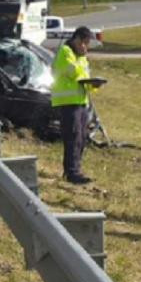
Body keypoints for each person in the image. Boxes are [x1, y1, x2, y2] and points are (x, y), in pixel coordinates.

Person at [51, 26, 100, 184]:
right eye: (84, 43)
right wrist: (81, 59)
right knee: (72, 136)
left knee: (82, 137)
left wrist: (94, 84)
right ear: (77, 39)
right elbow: (73, 72)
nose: (86, 47)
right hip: (68, 102)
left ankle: (76, 169)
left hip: (81, 101)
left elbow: (85, 78)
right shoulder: (66, 52)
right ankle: (71, 172)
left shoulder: (81, 56)